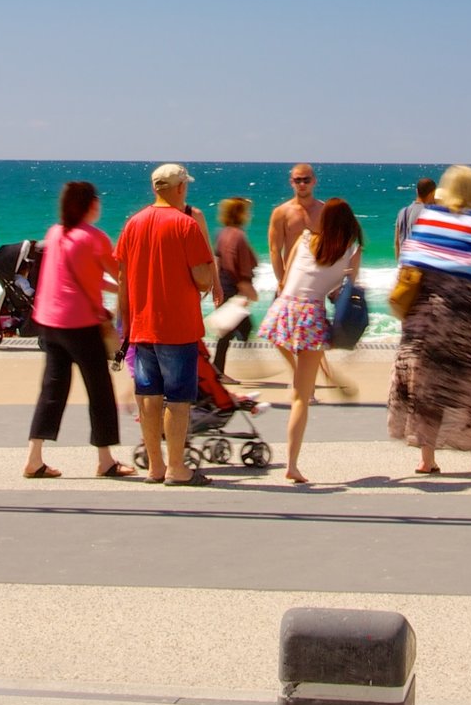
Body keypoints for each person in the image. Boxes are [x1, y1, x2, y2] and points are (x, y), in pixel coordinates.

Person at [387, 165, 471, 476]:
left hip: (429, 315)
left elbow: (410, 260)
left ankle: (427, 458)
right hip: (470, 318)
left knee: (430, 388)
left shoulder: (429, 220)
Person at [25, 180, 133, 480]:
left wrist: (114, 287)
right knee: (100, 391)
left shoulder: (55, 233)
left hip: (49, 323)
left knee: (52, 390)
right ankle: (105, 460)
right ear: (89, 205)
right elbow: (120, 274)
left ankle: (34, 458)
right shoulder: (95, 237)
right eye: (96, 201)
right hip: (81, 324)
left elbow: (87, 276)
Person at [117, 164, 217, 486]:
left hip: (141, 324)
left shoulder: (133, 224)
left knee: (148, 396)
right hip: (177, 325)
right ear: (179, 189)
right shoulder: (185, 225)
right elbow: (202, 277)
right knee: (177, 398)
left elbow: (122, 276)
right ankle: (176, 467)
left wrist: (125, 322)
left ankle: (155, 466)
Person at [261, 197, 363, 485]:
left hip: (283, 308)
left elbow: (286, 279)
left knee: (297, 384)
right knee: (301, 399)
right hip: (311, 316)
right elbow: (345, 291)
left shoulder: (304, 238)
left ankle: (312, 373)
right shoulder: (351, 252)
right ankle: (292, 465)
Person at [210, 197, 259, 381]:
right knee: (240, 329)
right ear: (240, 213)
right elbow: (233, 266)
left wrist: (215, 287)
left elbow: (217, 262)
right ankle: (251, 367)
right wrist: (248, 290)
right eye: (246, 210)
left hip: (224, 288)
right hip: (232, 290)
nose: (249, 214)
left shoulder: (222, 233)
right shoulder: (237, 236)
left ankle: (219, 370)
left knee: (230, 332)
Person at [266, 164, 321, 289]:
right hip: (290, 279)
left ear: (314, 181)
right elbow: (274, 250)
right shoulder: (281, 213)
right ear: (292, 182)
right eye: (298, 180)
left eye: (306, 180)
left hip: (317, 282)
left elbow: (333, 247)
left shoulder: (324, 211)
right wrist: (282, 282)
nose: (302, 184)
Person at [393, 177, 436, 252]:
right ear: (432, 193)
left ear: (417, 191)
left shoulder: (402, 212)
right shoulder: (429, 213)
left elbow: (397, 243)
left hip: (403, 261)